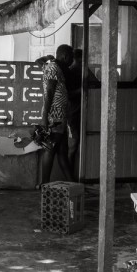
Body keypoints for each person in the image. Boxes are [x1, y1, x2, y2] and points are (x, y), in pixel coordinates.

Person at [39, 45, 75, 184]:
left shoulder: (56, 68)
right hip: (54, 116)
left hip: (60, 116)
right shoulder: (53, 68)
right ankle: (44, 185)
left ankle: (74, 185)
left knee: (62, 153)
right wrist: (44, 116)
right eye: (71, 57)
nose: (72, 60)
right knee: (50, 150)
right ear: (65, 56)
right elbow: (49, 91)